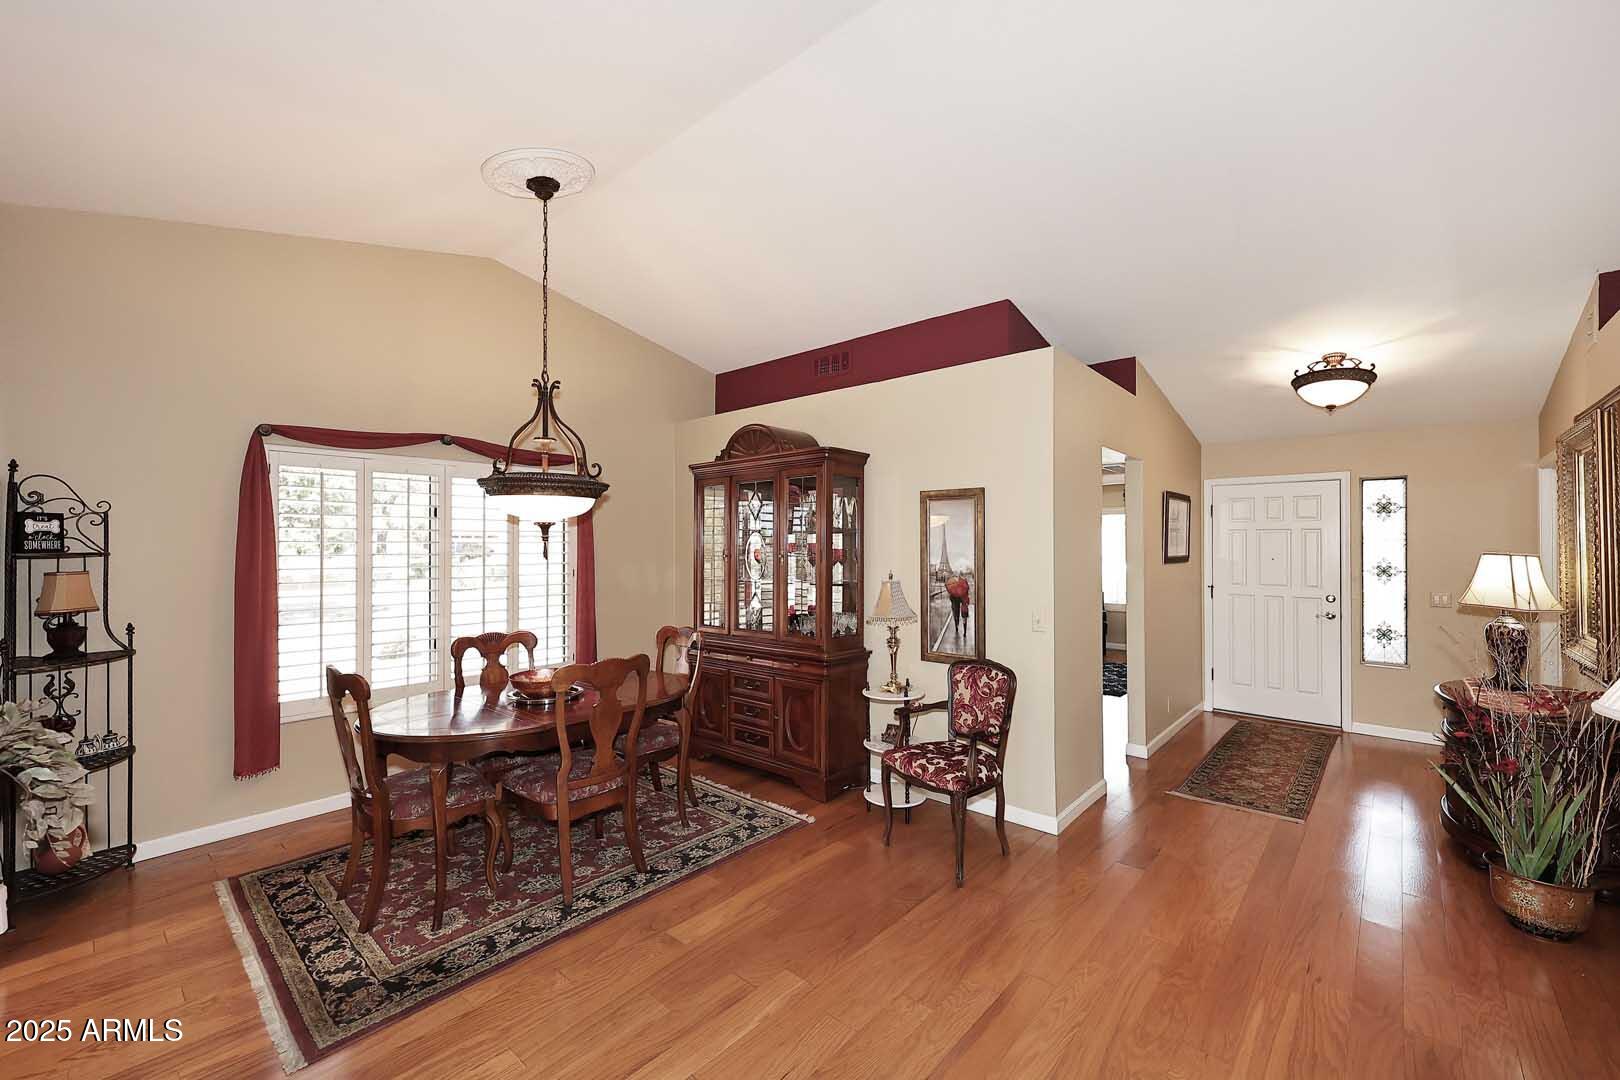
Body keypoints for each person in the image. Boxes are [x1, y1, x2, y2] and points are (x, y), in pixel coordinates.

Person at [945, 574, 970, 639]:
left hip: (955, 603)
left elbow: (950, 597)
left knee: (956, 614)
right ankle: (964, 632)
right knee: (964, 617)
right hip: (962, 603)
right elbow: (966, 596)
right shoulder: (963, 587)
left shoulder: (953, 587)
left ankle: (956, 624)